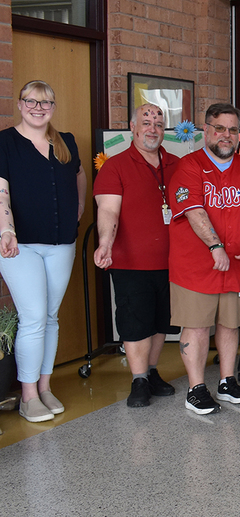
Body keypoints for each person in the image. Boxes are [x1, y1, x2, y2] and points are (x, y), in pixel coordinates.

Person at [167, 102, 240, 414]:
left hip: (238, 263)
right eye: (220, 128)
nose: (226, 135)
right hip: (196, 265)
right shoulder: (189, 166)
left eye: (233, 129)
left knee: (230, 323)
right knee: (197, 326)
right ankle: (196, 389)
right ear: (206, 131)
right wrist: (215, 247)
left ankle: (227, 382)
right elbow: (194, 210)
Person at [0, 81, 85, 423]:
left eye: (45, 101)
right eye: (31, 101)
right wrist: (5, 229)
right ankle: (28, 395)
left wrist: (78, 207)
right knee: (34, 317)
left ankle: (45, 387)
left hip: (61, 241)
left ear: (53, 105)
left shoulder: (65, 141)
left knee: (50, 316)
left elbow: (78, 174)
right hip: (20, 245)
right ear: (20, 104)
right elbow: (1, 190)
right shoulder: (5, 142)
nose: (38, 107)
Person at [93, 103, 180, 407]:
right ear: (132, 127)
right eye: (146, 121)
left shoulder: (177, 164)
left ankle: (152, 372)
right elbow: (108, 210)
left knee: (160, 322)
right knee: (135, 321)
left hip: (172, 262)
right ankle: (138, 379)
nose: (152, 128)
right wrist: (105, 244)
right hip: (131, 262)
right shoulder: (114, 166)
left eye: (158, 122)